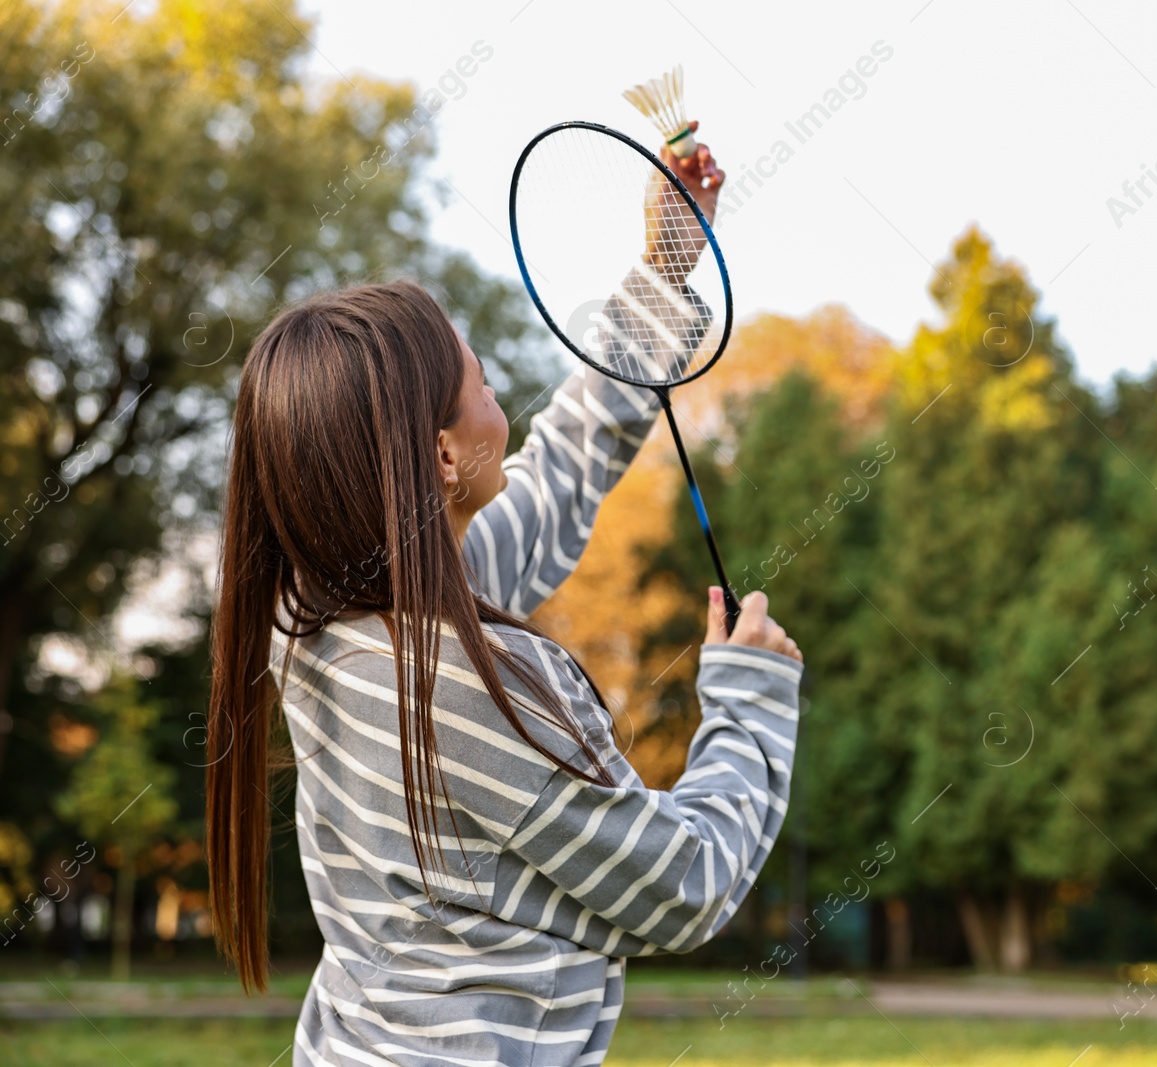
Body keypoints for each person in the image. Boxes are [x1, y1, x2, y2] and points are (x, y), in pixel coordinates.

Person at [205, 134, 803, 1066]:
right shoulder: (476, 689)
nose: (499, 396)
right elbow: (686, 883)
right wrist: (751, 699)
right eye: (479, 378)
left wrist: (664, 273)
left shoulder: (314, 620)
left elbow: (562, 468)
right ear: (445, 458)